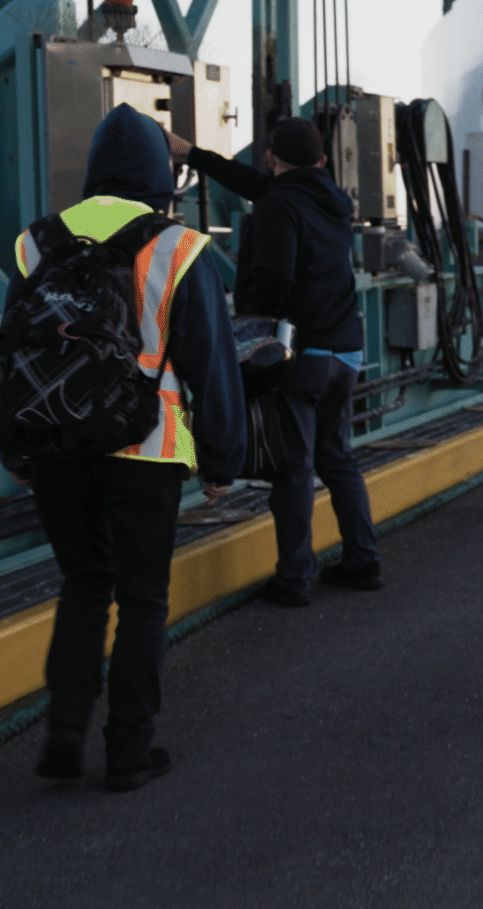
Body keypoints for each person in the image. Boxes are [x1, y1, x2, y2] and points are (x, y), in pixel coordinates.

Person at [0, 104, 245, 792]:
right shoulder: (179, 246)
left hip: (54, 447)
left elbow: (15, 350)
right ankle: (129, 750)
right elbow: (212, 363)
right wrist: (224, 460)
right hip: (146, 450)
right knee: (142, 600)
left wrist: (19, 449)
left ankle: (66, 730)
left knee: (84, 585)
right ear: (158, 174)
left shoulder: (37, 242)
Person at [169, 118, 380, 607]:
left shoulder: (280, 205)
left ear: (270, 158)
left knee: (294, 466)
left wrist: (249, 318)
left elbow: (275, 274)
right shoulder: (333, 201)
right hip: (347, 349)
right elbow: (261, 189)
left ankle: (294, 577)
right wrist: (193, 155)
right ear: (322, 161)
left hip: (304, 354)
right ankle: (363, 560)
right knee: (337, 458)